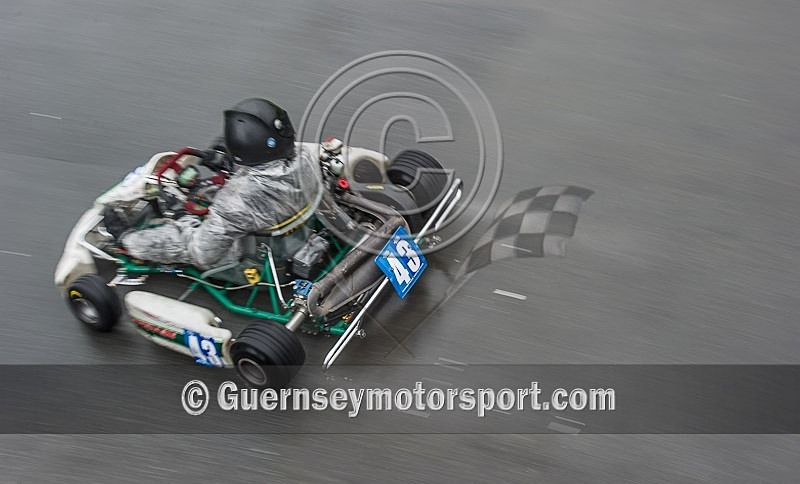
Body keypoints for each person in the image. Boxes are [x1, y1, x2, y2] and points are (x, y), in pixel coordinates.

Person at [103, 98, 321, 269]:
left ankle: (129, 240)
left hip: (251, 257)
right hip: (293, 226)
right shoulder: (305, 157)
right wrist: (231, 165)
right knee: (208, 195)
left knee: (181, 236)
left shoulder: (235, 201)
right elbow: (268, 177)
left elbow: (202, 253)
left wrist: (183, 218)